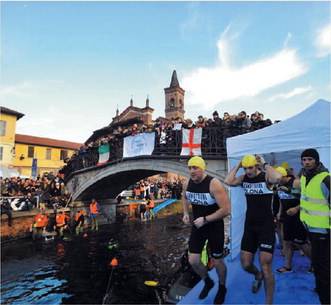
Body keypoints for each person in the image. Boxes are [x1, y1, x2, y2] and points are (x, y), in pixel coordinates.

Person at [225, 154, 282, 304]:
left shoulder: (266, 178)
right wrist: (238, 166)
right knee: (245, 263)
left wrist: (265, 164)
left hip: (266, 225)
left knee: (266, 264)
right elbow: (228, 181)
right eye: (246, 168)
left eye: (250, 167)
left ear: (256, 166)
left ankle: (268, 302)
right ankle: (257, 275)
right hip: (250, 225)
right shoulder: (244, 178)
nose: (248, 171)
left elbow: (277, 178)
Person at [182, 156, 231, 304]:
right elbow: (184, 197)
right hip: (198, 226)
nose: (192, 171)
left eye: (195, 167)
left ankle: (222, 287)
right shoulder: (186, 183)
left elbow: (226, 210)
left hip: (214, 225)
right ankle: (207, 281)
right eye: (190, 168)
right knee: (193, 260)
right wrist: (185, 213)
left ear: (202, 168)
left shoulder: (213, 184)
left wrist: (206, 219)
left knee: (217, 261)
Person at [292, 149, 330, 305]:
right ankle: (321, 290)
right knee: (318, 264)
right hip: (310, 228)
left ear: (316, 161)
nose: (306, 162)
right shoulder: (305, 177)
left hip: (323, 230)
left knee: (323, 266)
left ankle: (326, 299)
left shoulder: (325, 179)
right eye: (304, 159)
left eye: (310, 159)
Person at [274, 166, 311, 273]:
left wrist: (296, 208)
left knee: (301, 243)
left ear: (283, 176)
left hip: (299, 216)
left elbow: (307, 199)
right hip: (287, 217)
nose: (276, 181)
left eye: (277, 178)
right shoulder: (279, 185)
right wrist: (280, 212)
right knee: (287, 242)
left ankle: (314, 263)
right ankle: (287, 266)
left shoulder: (296, 183)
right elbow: (282, 200)